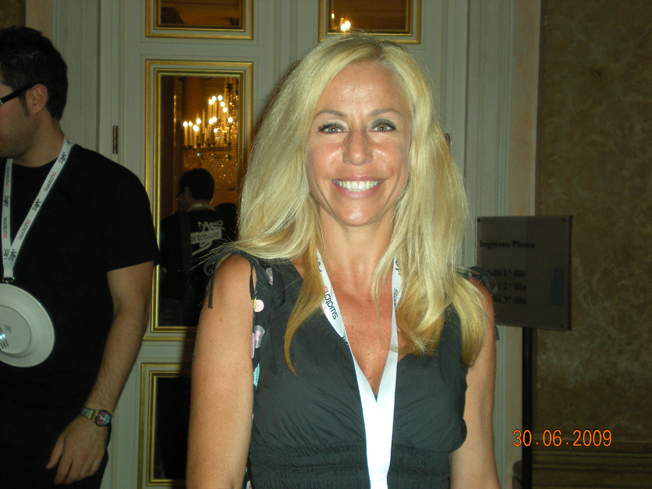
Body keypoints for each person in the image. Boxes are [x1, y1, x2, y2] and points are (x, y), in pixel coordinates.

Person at [187, 33, 499, 489]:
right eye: (331, 127)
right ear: (298, 147)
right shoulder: (249, 288)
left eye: (383, 125)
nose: (357, 152)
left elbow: (479, 480)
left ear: (416, 148)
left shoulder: (466, 305)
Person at [0, 26, 158, 488]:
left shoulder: (111, 190)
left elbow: (131, 310)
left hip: (65, 429)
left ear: (35, 98)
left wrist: (96, 418)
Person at [159, 168, 237, 326]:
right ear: (211, 193)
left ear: (187, 192)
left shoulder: (169, 225)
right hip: (220, 301)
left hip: (178, 304)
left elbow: (159, 265)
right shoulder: (230, 224)